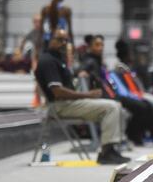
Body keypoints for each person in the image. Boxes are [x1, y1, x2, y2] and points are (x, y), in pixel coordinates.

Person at [34, 29, 129, 165]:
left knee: (116, 106)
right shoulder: (47, 61)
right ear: (50, 39)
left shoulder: (57, 59)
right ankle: (106, 152)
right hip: (60, 106)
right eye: (59, 39)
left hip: (70, 103)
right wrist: (86, 95)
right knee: (111, 107)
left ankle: (111, 149)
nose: (63, 43)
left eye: (65, 40)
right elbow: (57, 91)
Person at [78, 35, 153, 146]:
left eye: (102, 45)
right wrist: (82, 73)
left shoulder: (97, 61)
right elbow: (81, 71)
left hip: (111, 95)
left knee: (145, 105)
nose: (100, 48)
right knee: (142, 106)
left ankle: (141, 136)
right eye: (97, 45)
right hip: (105, 97)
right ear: (90, 47)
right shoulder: (90, 61)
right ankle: (150, 137)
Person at [40, 0, 74, 65]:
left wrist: (40, 44)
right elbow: (70, 31)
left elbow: (41, 30)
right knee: (61, 64)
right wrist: (72, 44)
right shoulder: (66, 10)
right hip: (61, 41)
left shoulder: (45, 9)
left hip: (48, 40)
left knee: (47, 64)